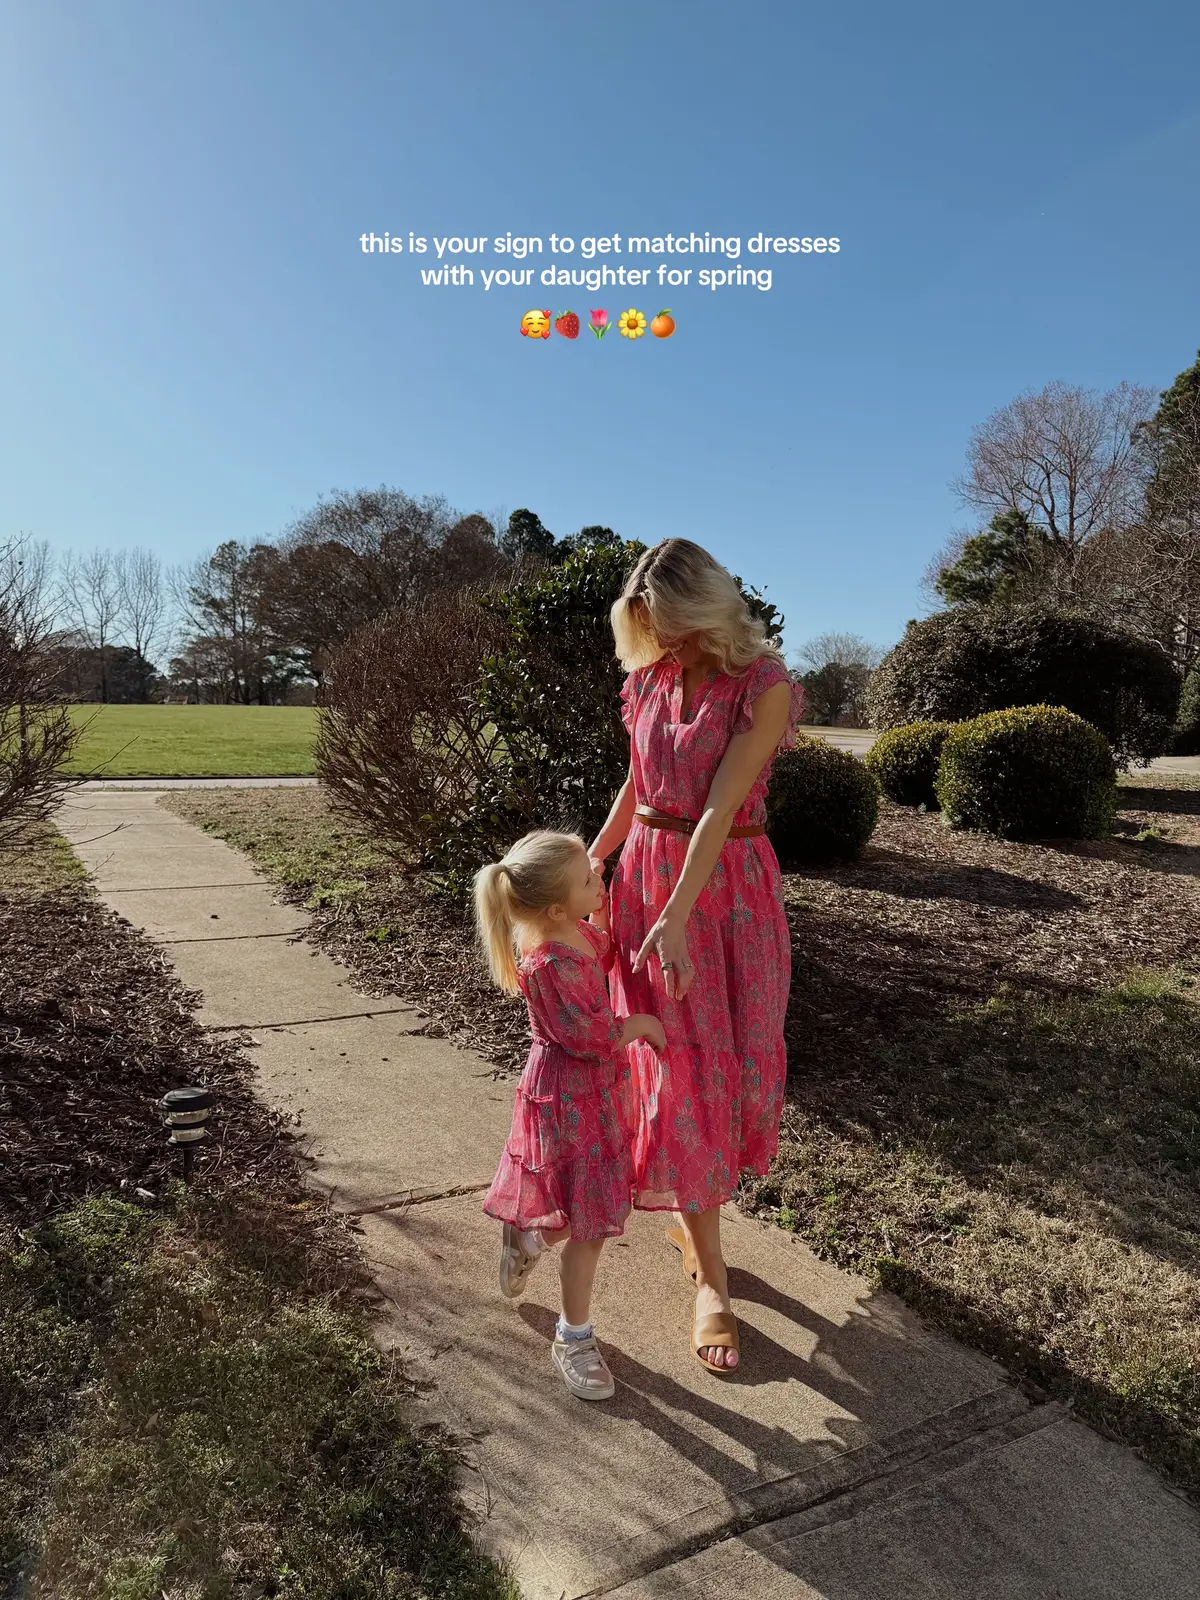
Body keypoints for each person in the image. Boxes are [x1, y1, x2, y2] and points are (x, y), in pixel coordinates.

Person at [588, 539, 803, 1374]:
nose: (662, 643)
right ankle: (712, 1280)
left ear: (709, 610)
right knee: (675, 1070)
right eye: (649, 629)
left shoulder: (765, 687)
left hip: (727, 897)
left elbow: (718, 810)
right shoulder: (646, 680)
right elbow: (641, 783)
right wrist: (596, 860)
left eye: (672, 627)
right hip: (647, 883)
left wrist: (676, 915)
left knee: (725, 1068)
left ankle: (695, 1212)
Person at [476, 829, 667, 1401]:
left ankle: (529, 1237)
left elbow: (603, 953)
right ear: (557, 907)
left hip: (598, 1094)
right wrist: (638, 1027)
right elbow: (587, 1034)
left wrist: (618, 918)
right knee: (590, 1220)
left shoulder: (574, 934)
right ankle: (573, 1337)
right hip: (569, 1097)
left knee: (586, 1203)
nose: (599, 878)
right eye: (590, 878)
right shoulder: (546, 962)